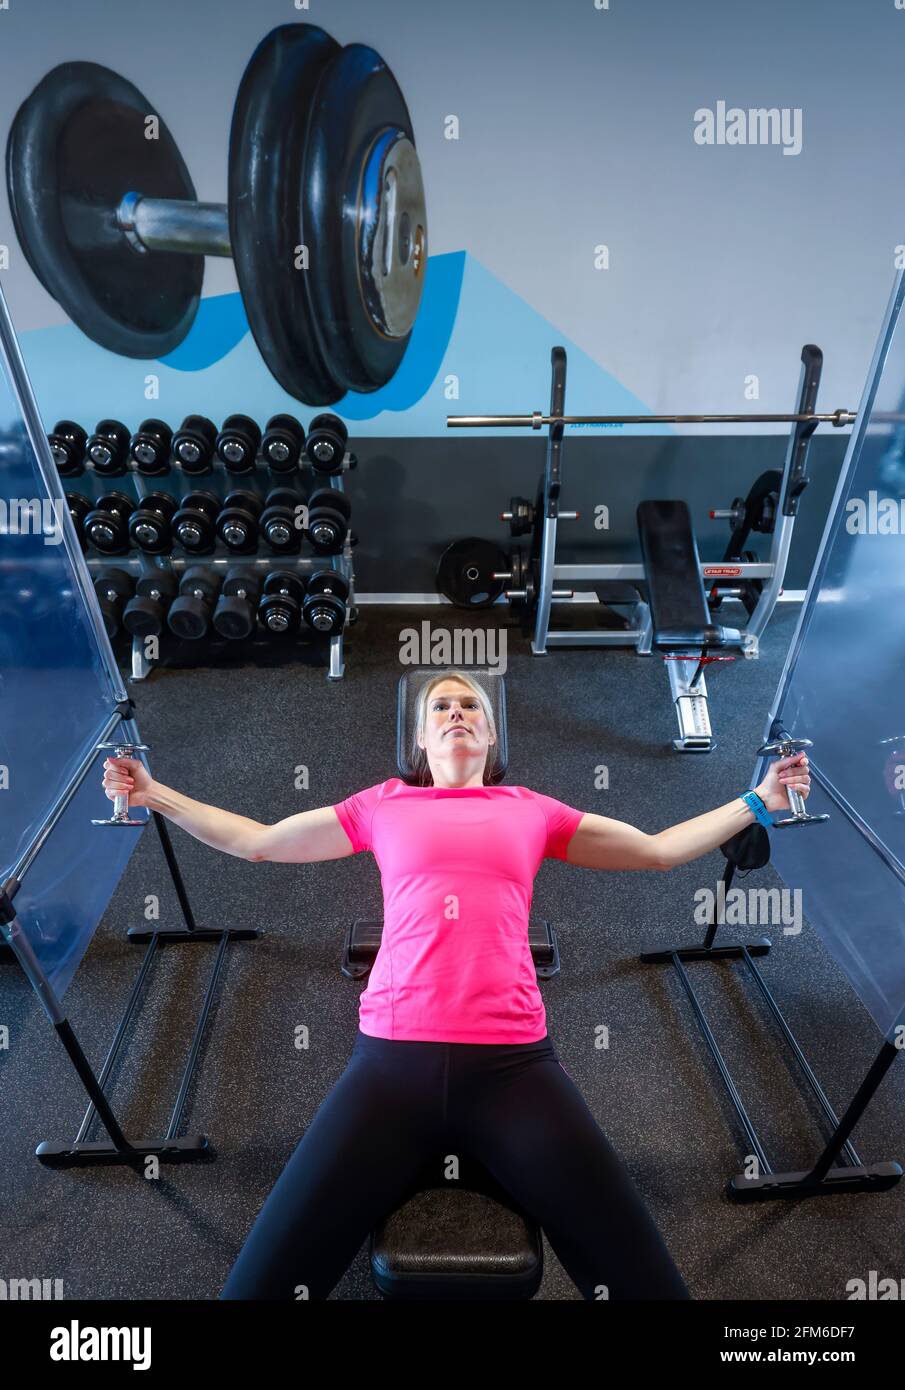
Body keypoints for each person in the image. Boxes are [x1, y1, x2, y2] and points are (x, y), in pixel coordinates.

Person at [102, 670, 810, 1301]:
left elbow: (655, 852)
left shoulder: (531, 808)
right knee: (258, 1283)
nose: (455, 713)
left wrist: (759, 797)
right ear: (419, 737)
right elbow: (256, 840)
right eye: (440, 705)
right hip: (389, 1067)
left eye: (470, 705)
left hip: (514, 1068)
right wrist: (153, 791)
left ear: (492, 733)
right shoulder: (383, 804)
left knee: (645, 1278)